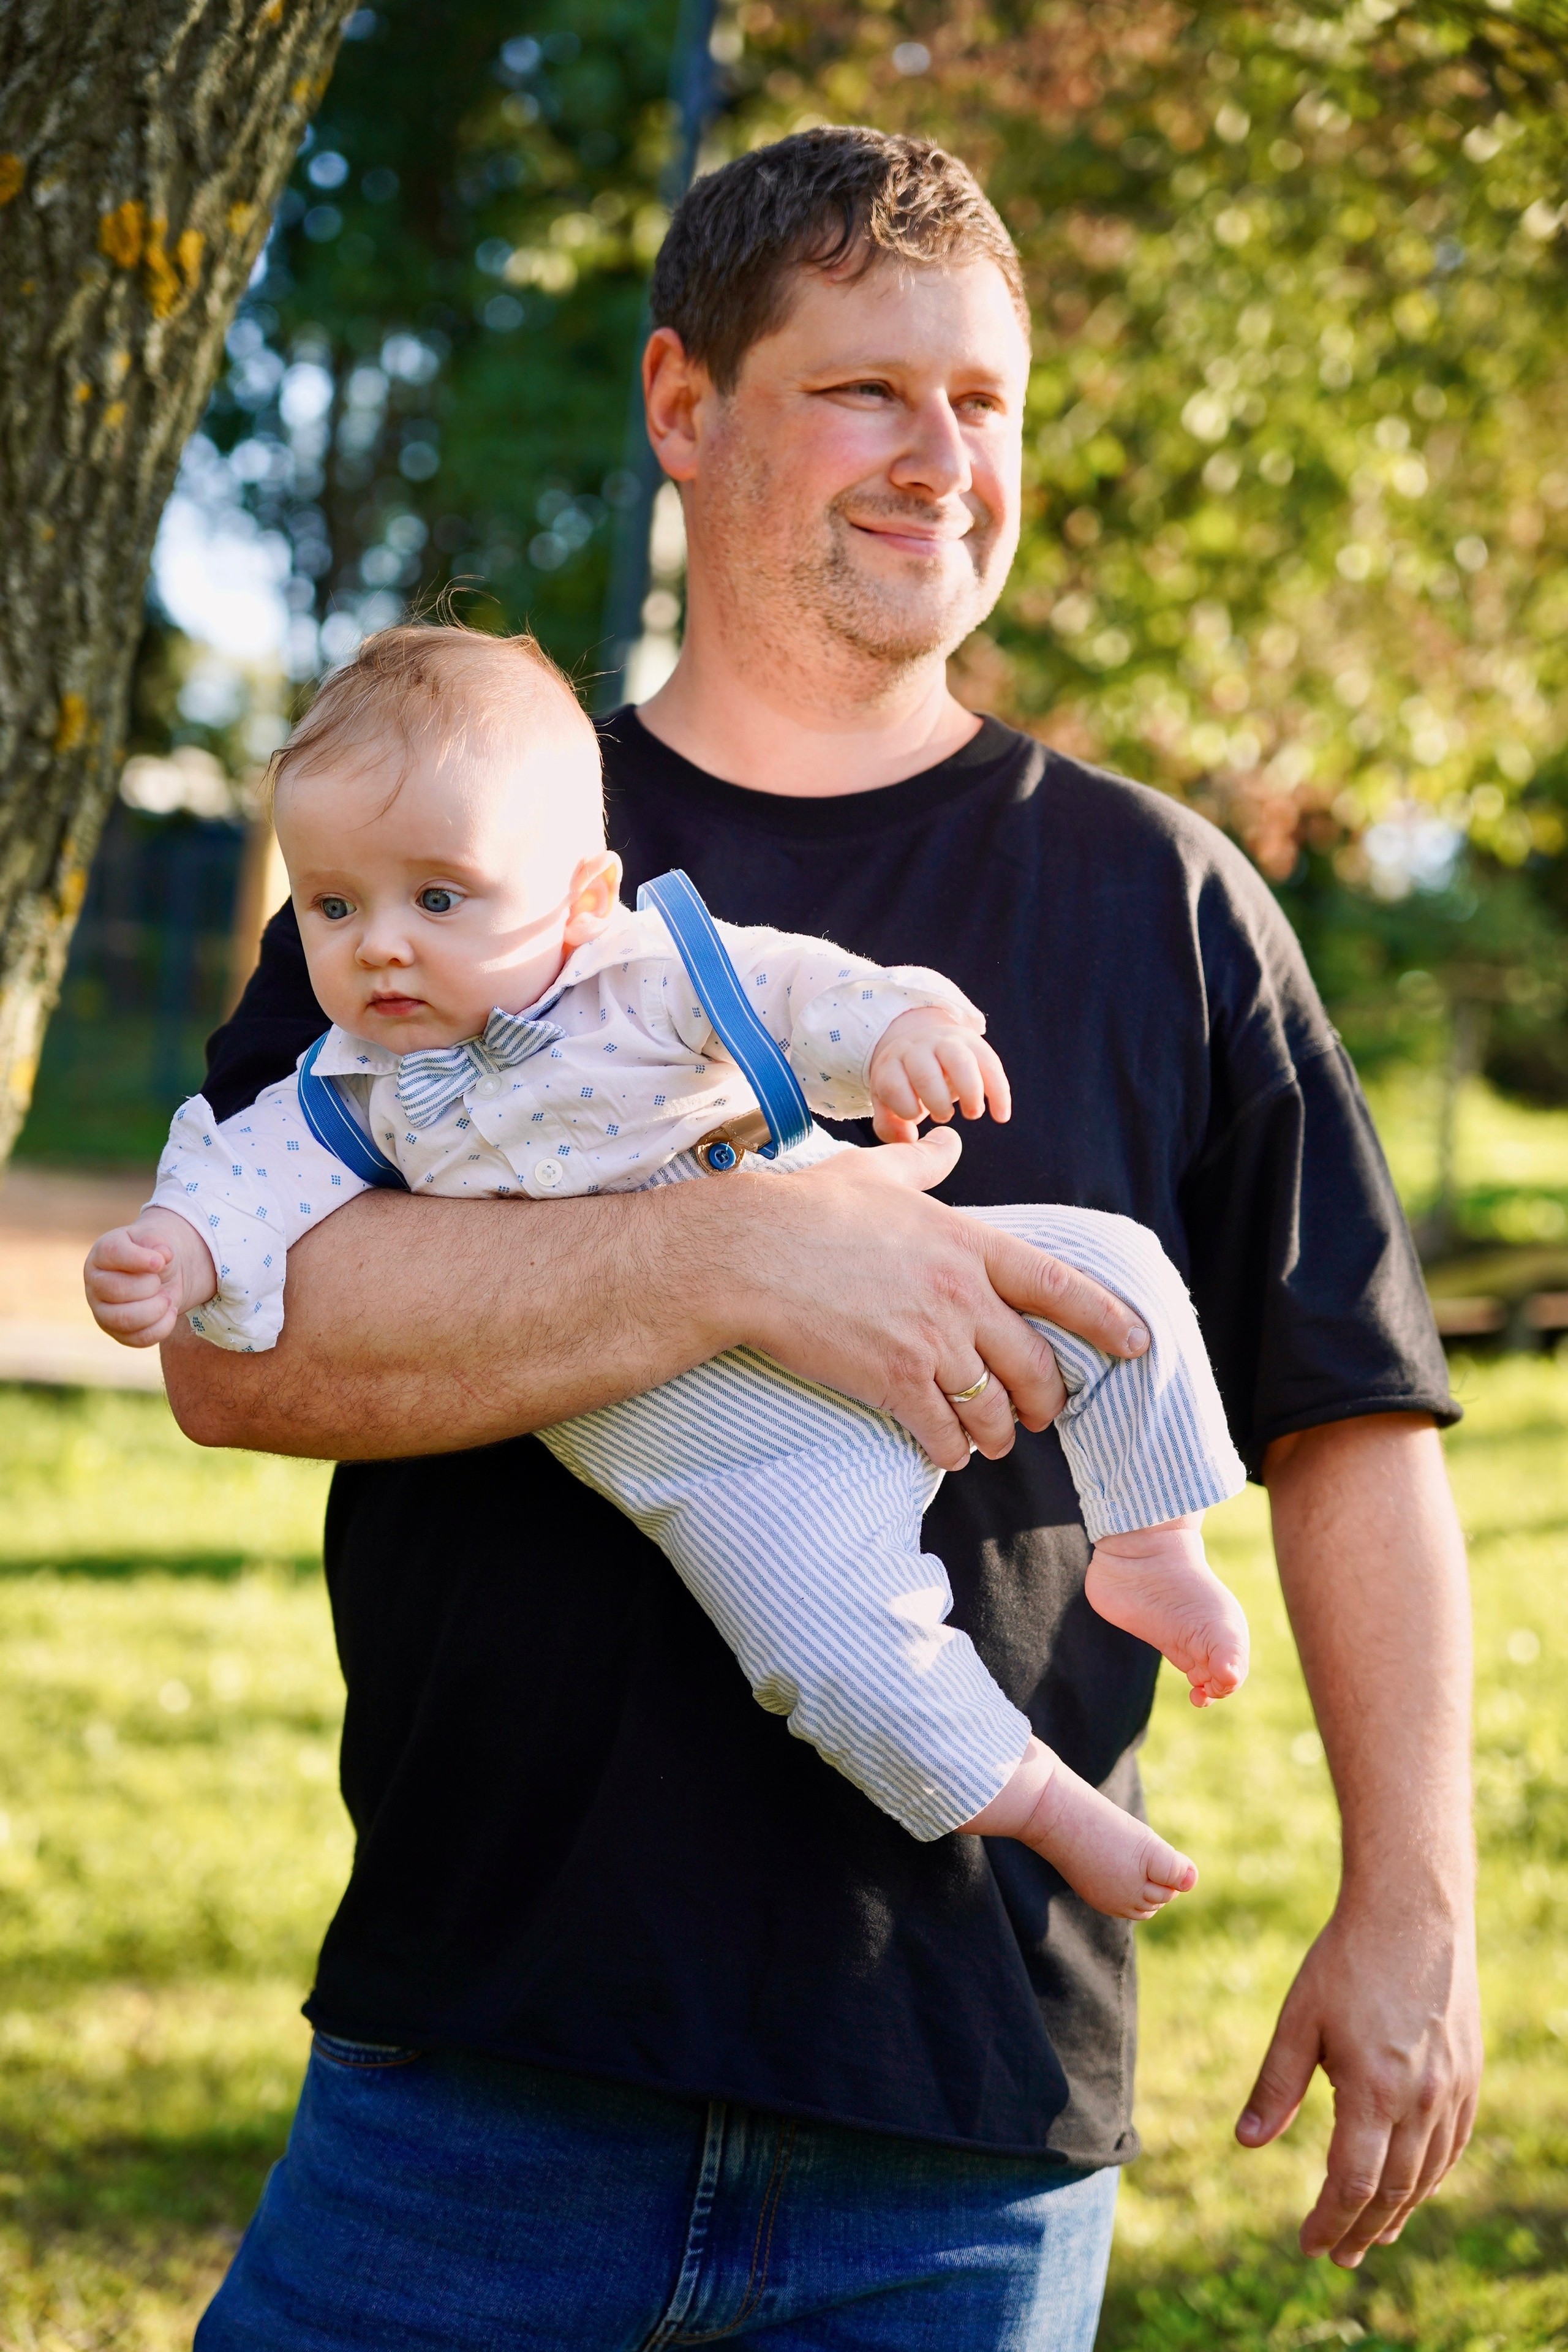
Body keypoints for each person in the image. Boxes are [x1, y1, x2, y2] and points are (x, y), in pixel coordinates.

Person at [165, 128, 1477, 2352]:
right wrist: (737, 1263)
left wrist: (1416, 1904)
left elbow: (1353, 1421)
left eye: (985, 401)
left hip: (962, 2128)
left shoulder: (1165, 901)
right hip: (481, 2076)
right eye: (869, 389)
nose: (941, 457)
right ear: (683, 406)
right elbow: (238, 1351)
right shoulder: (442, 846)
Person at [86, 619, 1251, 1915]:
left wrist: (901, 1031)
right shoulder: (350, 1092)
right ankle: (1037, 1802)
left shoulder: (646, 976)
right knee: (830, 1650)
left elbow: (796, 991)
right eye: (333, 905)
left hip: (883, 1280)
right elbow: (241, 1182)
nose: (379, 946)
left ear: (584, 899)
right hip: (730, 1465)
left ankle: (1151, 1542)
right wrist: (173, 1248)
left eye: (439, 897)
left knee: (1115, 1268)